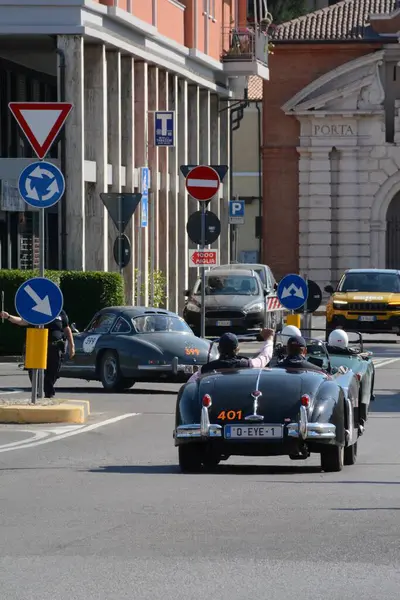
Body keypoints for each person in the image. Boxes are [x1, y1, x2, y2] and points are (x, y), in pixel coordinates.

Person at [0, 308, 75, 398]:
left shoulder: (59, 311)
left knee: (53, 372)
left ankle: (47, 392)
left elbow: (66, 328)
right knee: (34, 371)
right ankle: (43, 393)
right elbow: (22, 321)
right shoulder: (36, 310)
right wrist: (8, 316)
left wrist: (72, 345)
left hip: (54, 347)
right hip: (37, 346)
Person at [187, 328, 274, 383]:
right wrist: (269, 339)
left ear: (218, 349)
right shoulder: (248, 365)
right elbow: (265, 356)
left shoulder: (205, 369)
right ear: (237, 350)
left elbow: (189, 387)